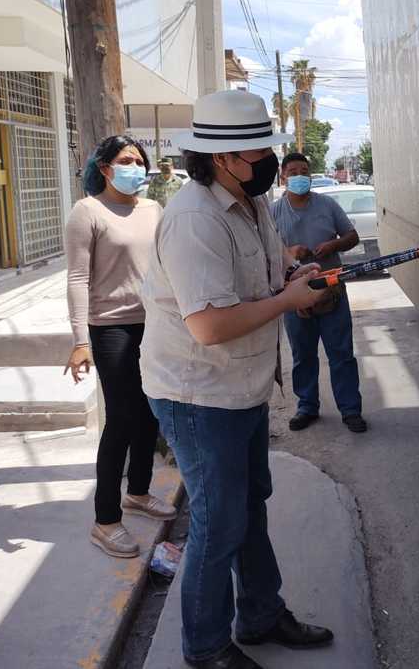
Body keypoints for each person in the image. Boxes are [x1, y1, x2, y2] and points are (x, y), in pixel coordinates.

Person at [140, 90, 333, 669]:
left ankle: (261, 615)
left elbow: (263, 276)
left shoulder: (249, 202)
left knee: (249, 507)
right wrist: (289, 301)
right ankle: (205, 648)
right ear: (221, 158)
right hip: (199, 396)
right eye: (260, 154)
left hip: (241, 387)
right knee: (219, 522)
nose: (271, 163)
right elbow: (209, 325)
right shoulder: (194, 219)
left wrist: (294, 275)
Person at [63, 135, 176, 559]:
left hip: (154, 322)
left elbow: (165, 264)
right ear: (105, 168)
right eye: (126, 160)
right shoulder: (88, 211)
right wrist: (80, 341)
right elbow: (77, 278)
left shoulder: (153, 209)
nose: (135, 167)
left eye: (139, 161)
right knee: (122, 420)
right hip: (110, 327)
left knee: (149, 412)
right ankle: (105, 520)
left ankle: (139, 492)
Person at [270, 153, 366, 433]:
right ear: (283, 176)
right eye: (293, 171)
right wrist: (289, 252)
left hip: (330, 289)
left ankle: (350, 410)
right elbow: (265, 253)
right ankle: (307, 407)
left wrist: (333, 245)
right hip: (294, 294)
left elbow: (352, 236)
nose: (300, 176)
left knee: (341, 353)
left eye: (304, 171)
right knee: (303, 355)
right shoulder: (273, 212)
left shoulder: (327, 205)